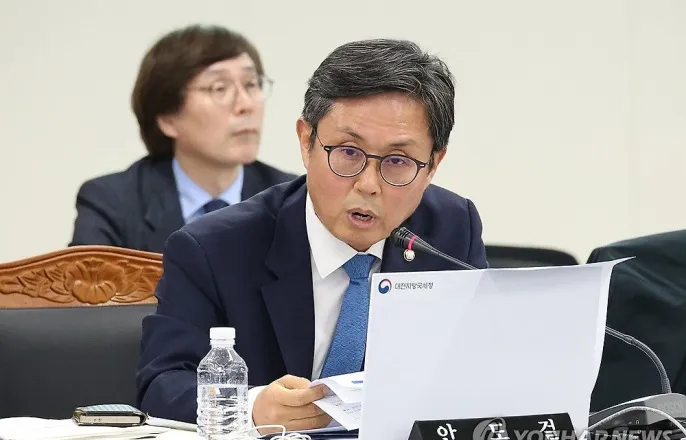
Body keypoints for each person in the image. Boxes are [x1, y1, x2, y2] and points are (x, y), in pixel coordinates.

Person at [136, 38, 488, 432]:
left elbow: (481, 367)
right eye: (348, 153)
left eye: (397, 161)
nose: (368, 184)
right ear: (307, 142)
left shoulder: (451, 230)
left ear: (433, 164)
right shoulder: (215, 248)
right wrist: (253, 409)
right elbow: (162, 385)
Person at [69, 24, 296, 253]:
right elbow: (86, 277)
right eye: (219, 88)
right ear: (168, 119)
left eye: (251, 84)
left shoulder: (295, 200)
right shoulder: (113, 203)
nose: (246, 104)